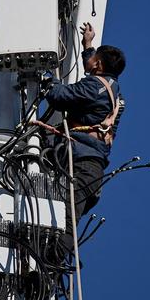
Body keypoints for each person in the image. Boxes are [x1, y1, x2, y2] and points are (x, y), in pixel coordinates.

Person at [44, 22, 125, 224]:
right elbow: (92, 65)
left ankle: (54, 254)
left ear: (99, 66)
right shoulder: (114, 92)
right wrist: (88, 45)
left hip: (80, 165)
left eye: (95, 58)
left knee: (64, 226)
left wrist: (46, 77)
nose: (92, 60)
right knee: (57, 222)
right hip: (90, 170)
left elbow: (58, 96)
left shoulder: (94, 87)